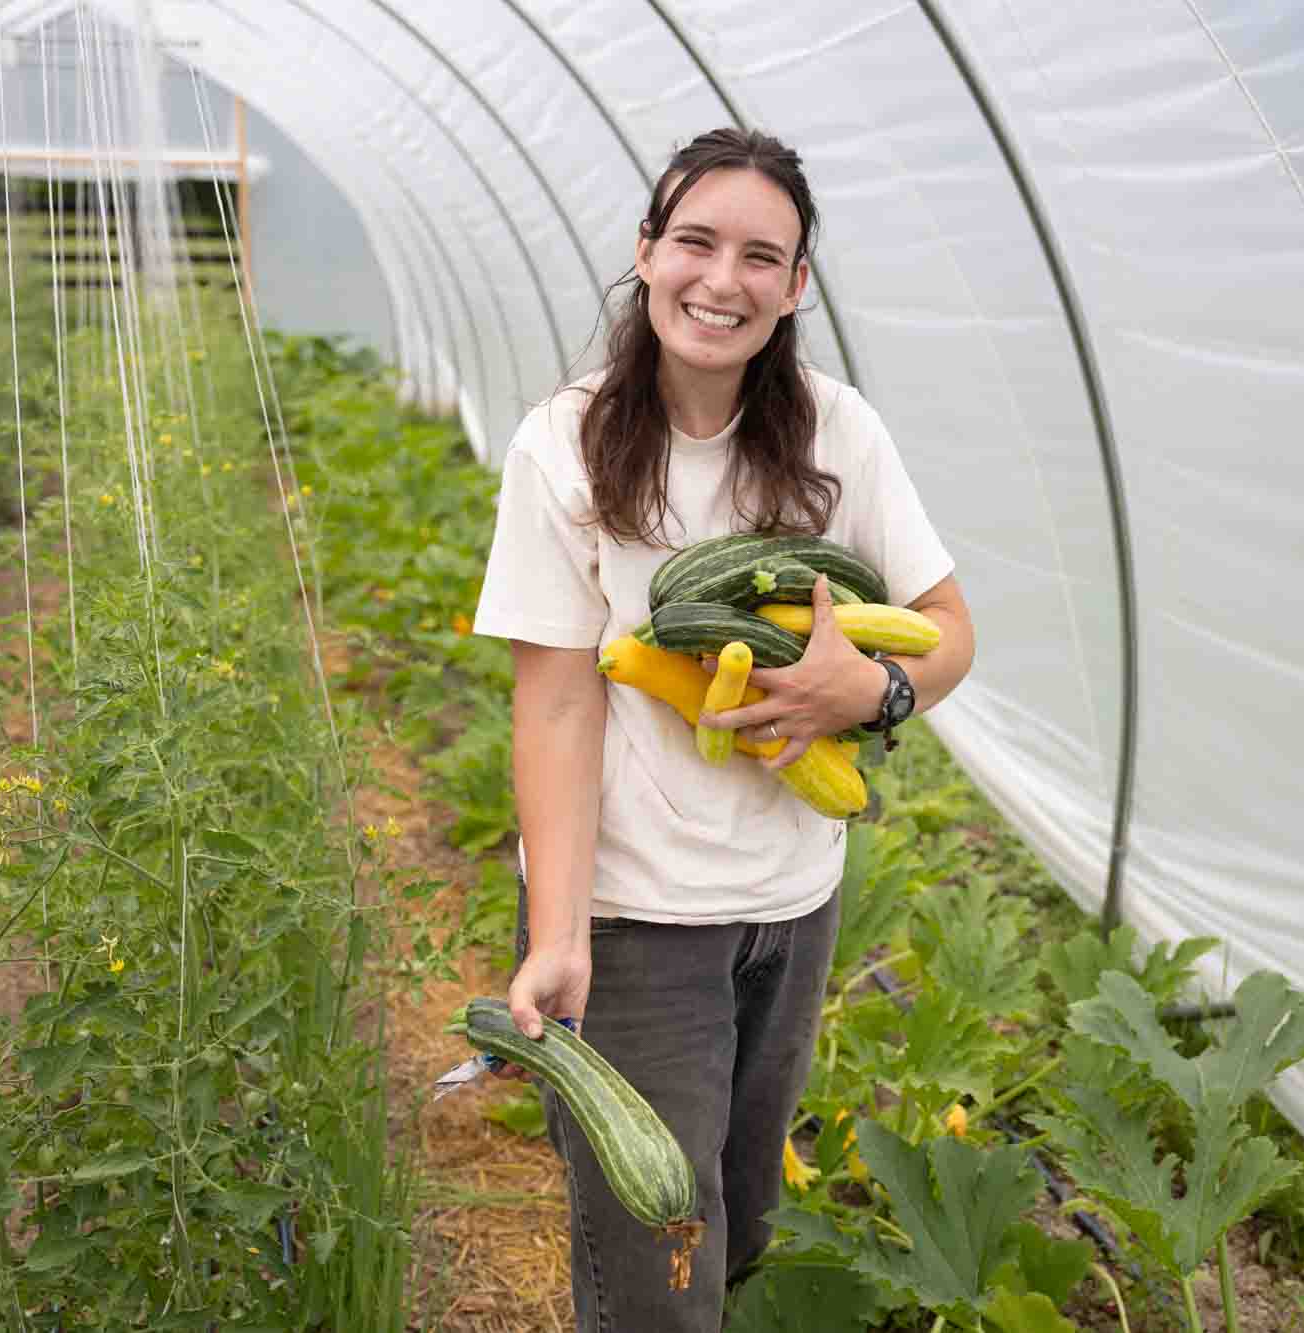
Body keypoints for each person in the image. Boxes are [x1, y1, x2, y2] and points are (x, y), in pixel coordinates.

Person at [472, 126, 975, 1332]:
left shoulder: (835, 432)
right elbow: (553, 698)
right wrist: (559, 935)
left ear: (794, 287)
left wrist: (870, 694)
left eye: (762, 256)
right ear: (644, 253)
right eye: (694, 241)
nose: (721, 278)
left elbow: (943, 627)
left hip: (793, 902)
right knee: (656, 1266)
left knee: (738, 1222)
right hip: (636, 918)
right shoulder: (564, 444)